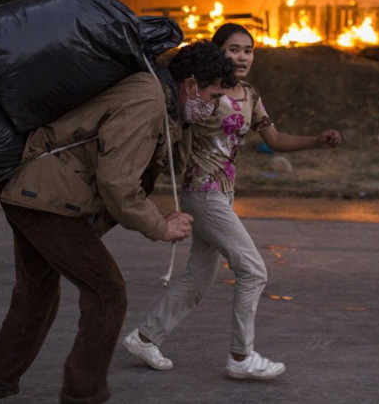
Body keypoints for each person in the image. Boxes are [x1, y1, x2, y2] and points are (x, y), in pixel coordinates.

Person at [0, 41, 236, 404]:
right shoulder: (148, 99)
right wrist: (158, 225)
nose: (215, 105)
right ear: (190, 85)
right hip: (48, 199)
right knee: (107, 294)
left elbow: (163, 163)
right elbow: (116, 180)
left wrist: (187, 123)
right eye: (213, 95)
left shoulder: (161, 101)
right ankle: (82, 397)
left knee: (35, 297)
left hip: (34, 191)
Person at [123, 23, 342, 380]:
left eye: (248, 50)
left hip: (222, 193)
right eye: (233, 49)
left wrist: (316, 141)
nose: (242, 56)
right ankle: (241, 356)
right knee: (253, 270)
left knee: (199, 275)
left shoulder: (250, 95)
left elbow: (274, 138)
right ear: (218, 54)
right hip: (202, 190)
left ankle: (145, 336)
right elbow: (173, 124)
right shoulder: (205, 93)